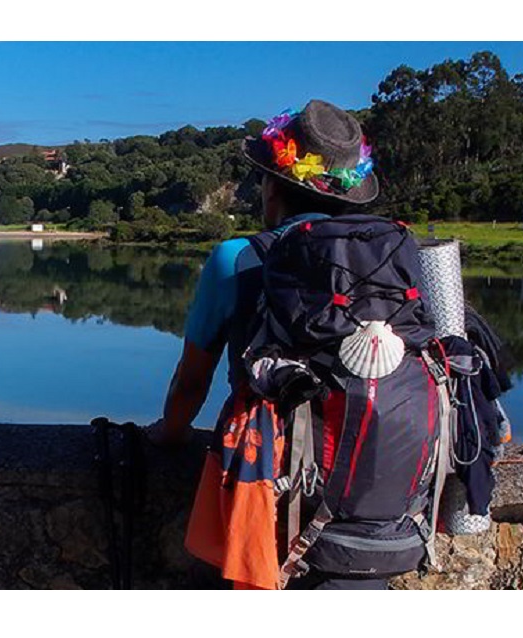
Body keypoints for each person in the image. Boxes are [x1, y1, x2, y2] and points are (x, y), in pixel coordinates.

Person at [147, 99, 407, 590]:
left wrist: (169, 434)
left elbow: (191, 380)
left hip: (268, 486)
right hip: (374, 490)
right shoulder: (393, 258)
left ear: (273, 187)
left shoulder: (237, 258)